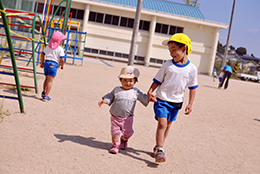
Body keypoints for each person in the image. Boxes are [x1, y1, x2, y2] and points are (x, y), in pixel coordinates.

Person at [147, 33, 198, 163]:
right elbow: (157, 80)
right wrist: (150, 91)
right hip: (162, 100)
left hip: (176, 102)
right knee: (162, 123)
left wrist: (190, 104)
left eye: (174, 50)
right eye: (170, 50)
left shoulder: (192, 69)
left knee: (168, 125)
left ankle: (159, 146)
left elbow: (193, 88)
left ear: (184, 49)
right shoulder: (167, 65)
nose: (171, 53)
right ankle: (160, 149)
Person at [98, 66, 151, 154]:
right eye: (125, 80)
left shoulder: (135, 92)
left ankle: (124, 139)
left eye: (130, 81)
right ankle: (115, 145)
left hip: (128, 118)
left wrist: (149, 98)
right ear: (120, 80)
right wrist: (105, 100)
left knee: (129, 132)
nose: (127, 83)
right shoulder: (117, 90)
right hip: (115, 116)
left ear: (135, 81)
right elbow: (110, 96)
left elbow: (144, 98)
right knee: (115, 132)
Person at [40, 31, 67, 101]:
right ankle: (46, 96)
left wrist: (42, 63)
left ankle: (44, 91)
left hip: (46, 63)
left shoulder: (48, 47)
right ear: (59, 41)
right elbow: (62, 59)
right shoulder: (60, 49)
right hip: (53, 64)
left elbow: (42, 54)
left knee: (46, 79)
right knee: (50, 81)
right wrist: (62, 65)